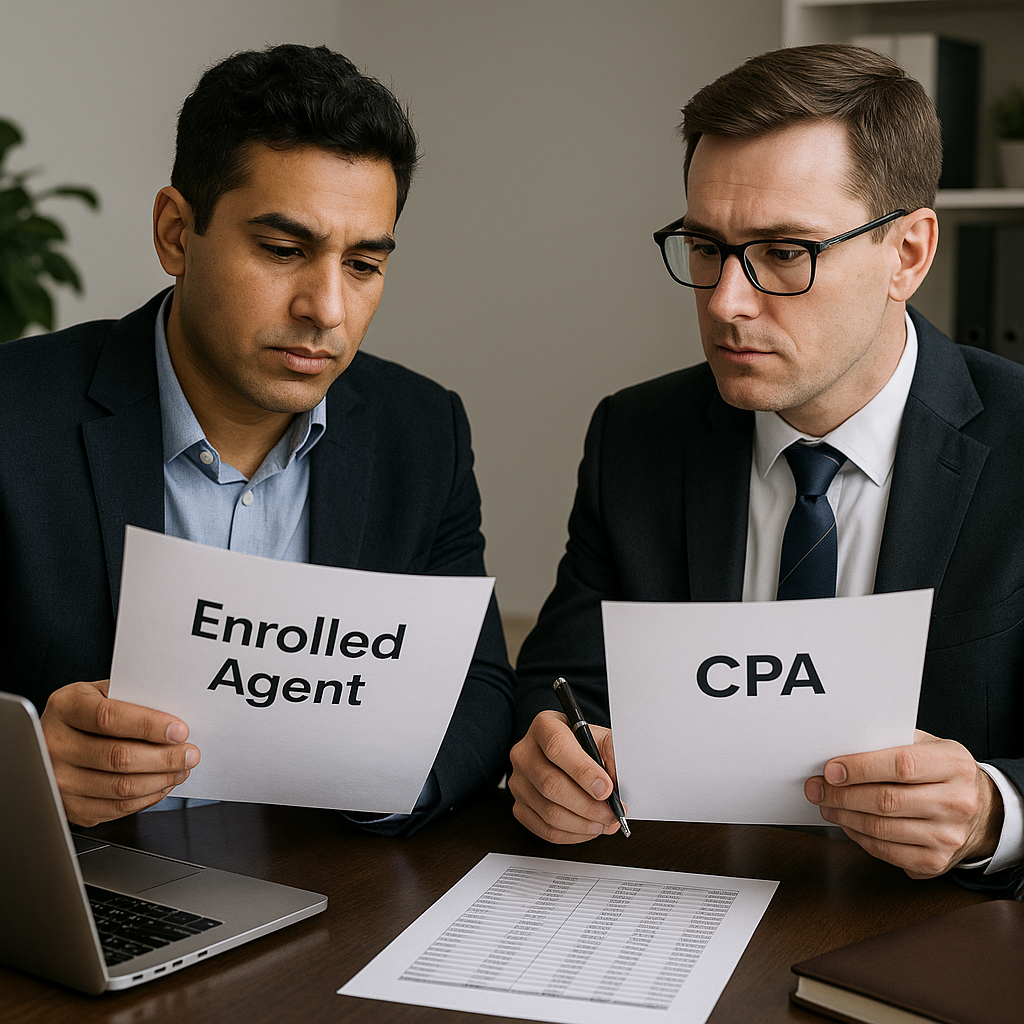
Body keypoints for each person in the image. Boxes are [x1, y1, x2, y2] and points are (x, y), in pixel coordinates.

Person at [510, 44, 1024, 897]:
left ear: (908, 253)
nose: (725, 303)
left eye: (785, 252)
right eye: (706, 247)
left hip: (940, 936)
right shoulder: (637, 436)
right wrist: (552, 755)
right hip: (676, 905)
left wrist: (992, 814)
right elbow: (562, 681)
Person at [0, 43, 515, 834]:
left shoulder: (423, 430)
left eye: (365, 264)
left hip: (328, 885)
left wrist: (382, 781)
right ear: (177, 233)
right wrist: (23, 765)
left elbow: (479, 687)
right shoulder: (13, 415)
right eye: (284, 251)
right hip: (76, 890)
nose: (327, 309)